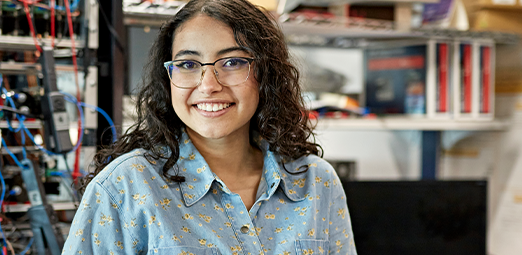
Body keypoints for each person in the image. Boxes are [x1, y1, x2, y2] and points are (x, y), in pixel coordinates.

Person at [62, 0, 357, 254]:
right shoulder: (123, 187)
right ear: (168, 79)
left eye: (232, 62)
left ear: (265, 74)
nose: (209, 85)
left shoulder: (316, 183)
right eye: (188, 65)